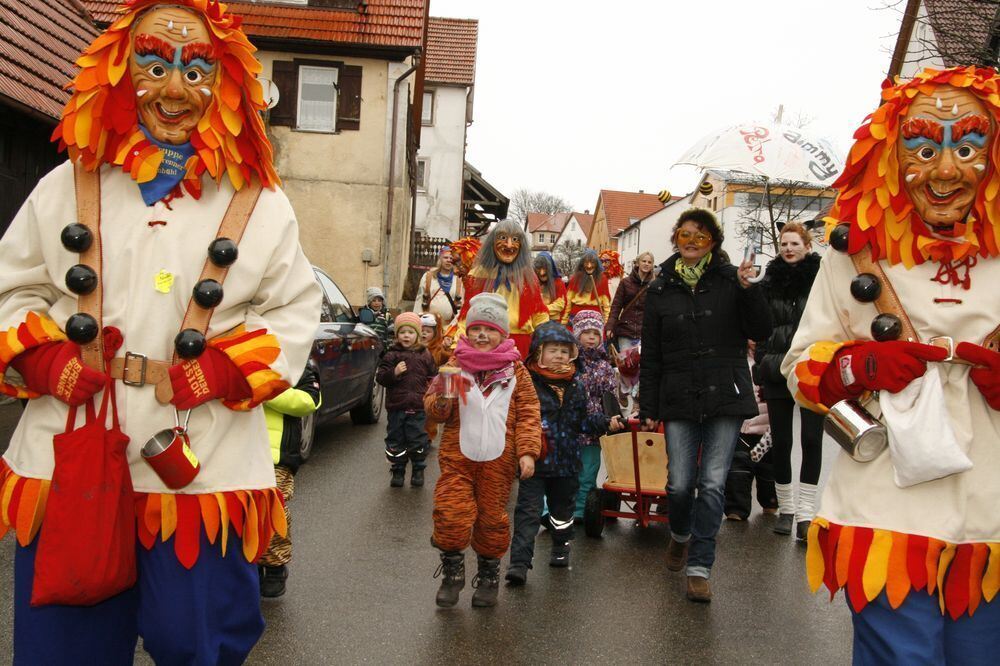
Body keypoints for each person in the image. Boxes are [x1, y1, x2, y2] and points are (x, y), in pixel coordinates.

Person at [0, 2, 322, 662]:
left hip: (201, 466)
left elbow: (291, 312)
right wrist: (45, 360)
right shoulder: (64, 186)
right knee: (66, 647)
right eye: (153, 66)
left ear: (224, 84)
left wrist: (219, 370)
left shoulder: (261, 202)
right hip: (72, 455)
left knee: (197, 642)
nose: (174, 91)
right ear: (119, 72)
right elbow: (11, 289)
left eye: (196, 72)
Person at [784, 67, 1000, 662]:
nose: (947, 171)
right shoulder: (851, 250)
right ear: (888, 154)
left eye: (970, 147)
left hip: (991, 507)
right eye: (925, 148)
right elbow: (800, 366)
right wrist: (860, 367)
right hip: (886, 500)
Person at [639, 207, 772, 603]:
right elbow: (651, 356)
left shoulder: (733, 281)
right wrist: (648, 406)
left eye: (700, 234)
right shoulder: (660, 289)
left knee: (713, 483)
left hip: (724, 394)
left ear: (713, 240)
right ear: (676, 240)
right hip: (678, 396)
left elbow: (761, 330)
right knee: (680, 484)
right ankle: (680, 534)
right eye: (685, 234)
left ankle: (700, 566)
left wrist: (752, 291)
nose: (692, 240)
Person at [426, 293, 541, 608]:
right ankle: (452, 572)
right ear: (467, 330)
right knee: (450, 513)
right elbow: (436, 412)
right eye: (476, 328)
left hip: (498, 461)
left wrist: (528, 452)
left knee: (492, 521)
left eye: (490, 330)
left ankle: (488, 576)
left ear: (503, 334)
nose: (482, 335)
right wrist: (445, 395)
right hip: (457, 458)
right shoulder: (454, 365)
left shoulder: (517, 372)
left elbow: (530, 412)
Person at [506, 320, 618, 584]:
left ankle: (560, 547)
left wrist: (605, 422)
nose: (559, 355)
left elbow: (583, 421)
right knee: (528, 512)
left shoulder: (576, 384)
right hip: (535, 460)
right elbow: (517, 418)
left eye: (565, 351)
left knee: (562, 512)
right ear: (538, 352)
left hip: (567, 462)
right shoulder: (527, 382)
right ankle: (519, 564)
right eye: (553, 349)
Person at [753, 222, 824, 540]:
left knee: (812, 440)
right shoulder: (769, 280)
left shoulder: (822, 279)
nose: (789, 248)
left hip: (813, 368)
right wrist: (761, 364)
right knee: (781, 442)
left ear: (807, 246)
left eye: (795, 243)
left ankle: (807, 515)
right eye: (784, 244)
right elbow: (762, 327)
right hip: (777, 368)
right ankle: (787, 509)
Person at [259, 365, 321, 598]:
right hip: (241, 453)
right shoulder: (244, 356)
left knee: (273, 512)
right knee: (243, 514)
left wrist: (265, 391)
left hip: (278, 457)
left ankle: (275, 566)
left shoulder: (299, 366)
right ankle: (251, 567)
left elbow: (308, 402)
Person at [456, 220, 549, 359]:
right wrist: (458, 342)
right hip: (486, 341)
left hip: (520, 343)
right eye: (503, 238)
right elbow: (468, 313)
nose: (509, 245)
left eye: (515, 239)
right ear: (492, 242)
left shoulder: (528, 277)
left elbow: (539, 313)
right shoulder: (478, 274)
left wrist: (546, 341)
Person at [570, 310, 621, 520]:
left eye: (595, 333)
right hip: (571, 429)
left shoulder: (604, 366)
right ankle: (554, 510)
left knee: (588, 473)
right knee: (563, 472)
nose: (591, 337)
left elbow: (609, 397)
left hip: (594, 429)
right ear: (577, 335)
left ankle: (581, 511)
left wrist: (610, 419)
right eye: (586, 332)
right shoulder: (570, 364)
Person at [376, 312, 437, 488]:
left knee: (418, 439)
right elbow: (381, 377)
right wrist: (393, 373)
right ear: (397, 335)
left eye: (410, 332)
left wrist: (433, 392)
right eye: (402, 332)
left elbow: (433, 376)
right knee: (396, 439)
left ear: (417, 334)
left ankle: (418, 469)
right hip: (397, 406)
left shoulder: (425, 354)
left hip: (418, 407)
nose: (406, 336)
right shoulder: (391, 355)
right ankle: (398, 470)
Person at [724, 345, 777, 522]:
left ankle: (770, 502)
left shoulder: (773, 357)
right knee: (738, 467)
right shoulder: (737, 359)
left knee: (769, 470)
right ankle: (736, 508)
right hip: (743, 424)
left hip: (770, 427)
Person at [606, 251, 655, 353]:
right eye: (644, 261)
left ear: (652, 265)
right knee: (627, 364)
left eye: (649, 262)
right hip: (626, 329)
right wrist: (610, 326)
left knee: (642, 364)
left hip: (645, 331)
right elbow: (616, 306)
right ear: (637, 263)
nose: (646, 264)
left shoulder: (654, 285)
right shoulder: (625, 282)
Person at [413, 247, 464, 324]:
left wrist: (455, 325)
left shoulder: (458, 280)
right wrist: (416, 322)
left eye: (451, 258)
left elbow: (462, 304)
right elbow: (419, 300)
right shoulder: (428, 277)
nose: (449, 260)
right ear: (440, 259)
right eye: (445, 257)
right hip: (429, 326)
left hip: (449, 326)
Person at [562, 248, 611, 324]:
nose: (589, 266)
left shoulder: (602, 279)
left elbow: (606, 305)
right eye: (586, 263)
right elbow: (568, 301)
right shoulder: (575, 278)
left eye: (592, 263)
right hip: (576, 315)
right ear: (582, 263)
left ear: (596, 264)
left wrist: (607, 322)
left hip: (596, 316)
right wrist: (564, 320)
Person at [533, 252, 567, 320]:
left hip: (553, 322)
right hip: (535, 321)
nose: (542, 272)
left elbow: (560, 304)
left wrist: (541, 309)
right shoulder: (533, 283)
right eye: (539, 269)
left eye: (545, 268)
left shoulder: (558, 283)